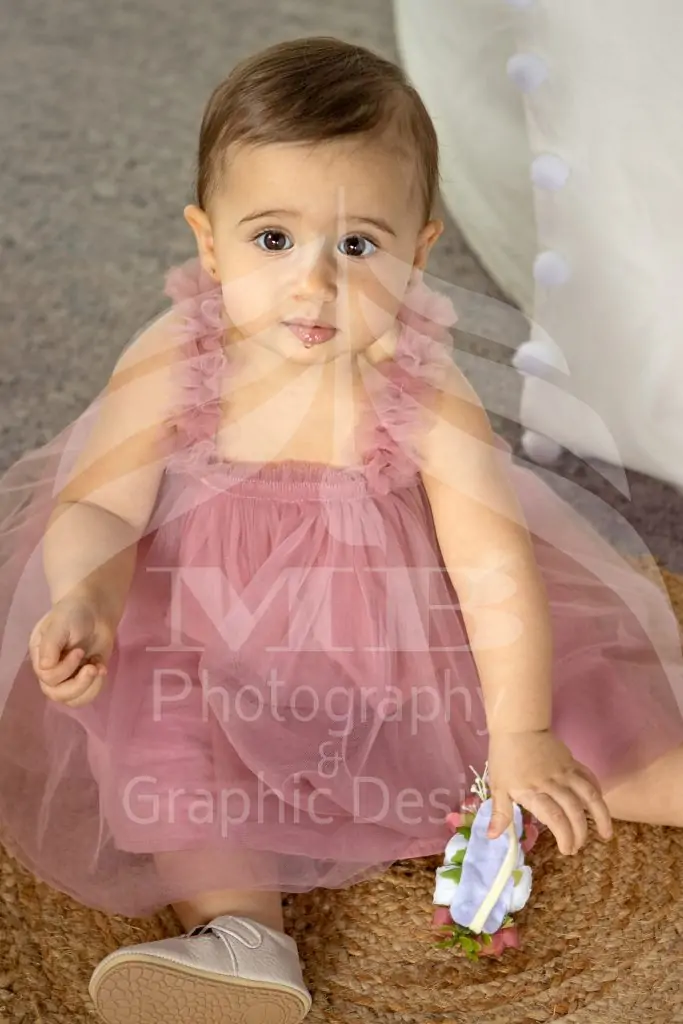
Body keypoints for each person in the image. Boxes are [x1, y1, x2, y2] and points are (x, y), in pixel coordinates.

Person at [0, 35, 682, 1024]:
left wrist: (520, 733)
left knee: (579, 734)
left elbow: (490, 570)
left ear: (418, 250)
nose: (313, 286)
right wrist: (89, 598)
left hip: (393, 652)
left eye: (357, 245)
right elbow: (101, 503)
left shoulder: (419, 389)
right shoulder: (174, 357)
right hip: (206, 639)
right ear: (207, 243)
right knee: (158, 731)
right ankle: (244, 936)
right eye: (271, 240)